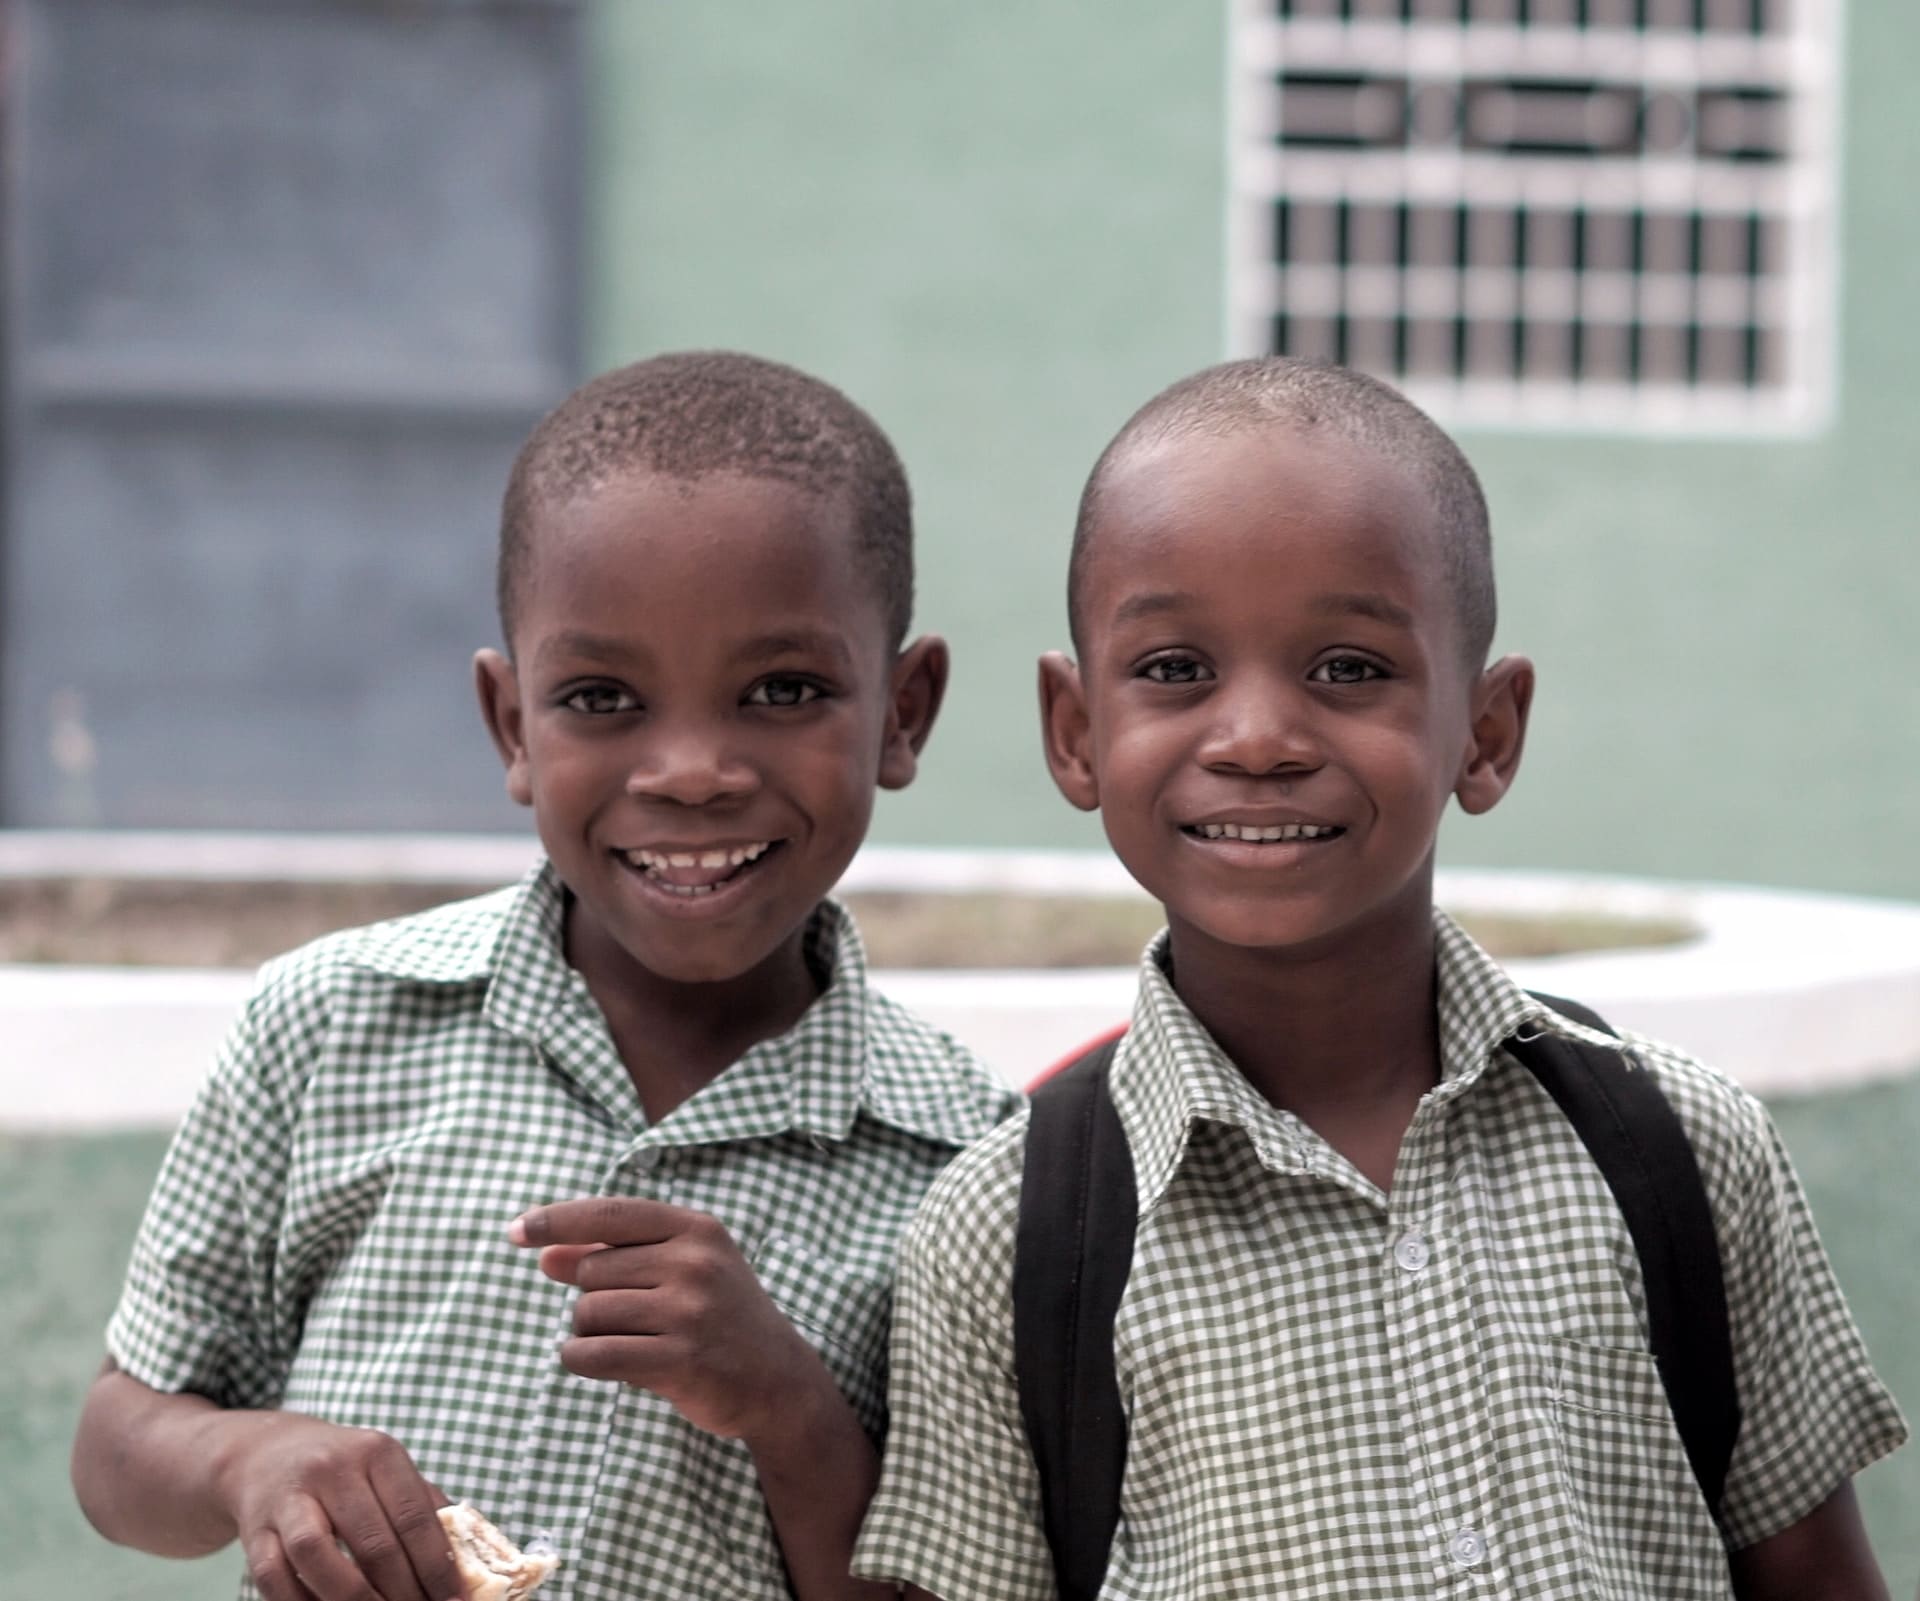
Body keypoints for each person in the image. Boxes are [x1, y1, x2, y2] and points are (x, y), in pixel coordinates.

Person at [852, 357, 1906, 1600]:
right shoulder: (1010, 1236)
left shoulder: (1679, 1146)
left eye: (1349, 669)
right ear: (1076, 732)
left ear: (1487, 731)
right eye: (1176, 669)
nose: (1256, 739)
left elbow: (1818, 1572)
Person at [71, 351, 1020, 1601]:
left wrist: (789, 1405)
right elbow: (115, 1448)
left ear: (903, 710)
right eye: (602, 697)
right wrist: (249, 1457)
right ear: (512, 724)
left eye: (782, 689)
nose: (690, 769)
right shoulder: (332, 1025)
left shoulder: (967, 1160)